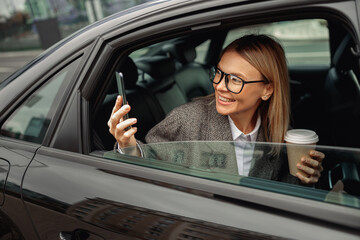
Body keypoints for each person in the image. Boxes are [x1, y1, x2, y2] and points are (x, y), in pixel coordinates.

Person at [108, 34, 325, 185]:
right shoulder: (187, 119)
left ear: (267, 90)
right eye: (219, 73)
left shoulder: (278, 131)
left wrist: (304, 179)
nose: (220, 86)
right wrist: (128, 146)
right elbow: (149, 164)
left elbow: (281, 191)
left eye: (234, 80)